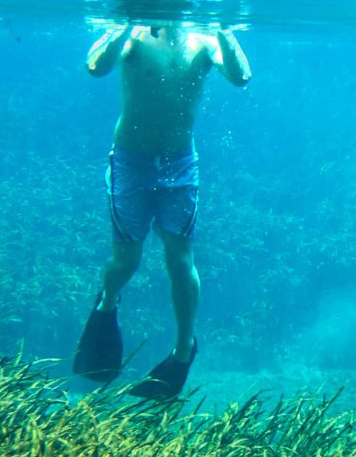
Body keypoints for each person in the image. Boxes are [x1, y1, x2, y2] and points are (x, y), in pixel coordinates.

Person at [73, 23, 251, 398]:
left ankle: (183, 350)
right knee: (126, 260)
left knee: (180, 258)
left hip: (179, 163)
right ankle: (106, 304)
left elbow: (241, 77)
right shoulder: (133, 37)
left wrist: (224, 28)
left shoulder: (204, 39)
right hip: (131, 160)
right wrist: (125, 21)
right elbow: (95, 66)